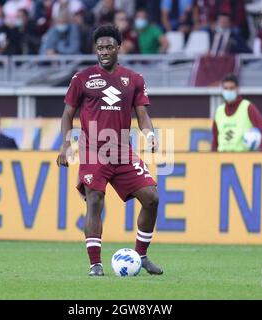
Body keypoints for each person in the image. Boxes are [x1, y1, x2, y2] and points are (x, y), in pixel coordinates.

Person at [56, 25, 163, 277]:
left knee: (152, 197)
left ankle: (142, 255)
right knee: (94, 201)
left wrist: (149, 134)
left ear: (118, 47)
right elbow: (67, 114)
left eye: (108, 47)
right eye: (100, 48)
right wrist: (65, 144)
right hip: (93, 150)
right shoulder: (81, 78)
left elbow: (143, 115)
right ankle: (95, 264)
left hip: (122, 151)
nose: (103, 51)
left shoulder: (134, 79)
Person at [211, 74, 262, 152]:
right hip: (222, 158)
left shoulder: (247, 107)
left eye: (231, 88)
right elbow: (215, 139)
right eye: (226, 88)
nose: (228, 91)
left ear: (237, 89)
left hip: (242, 158)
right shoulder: (219, 111)